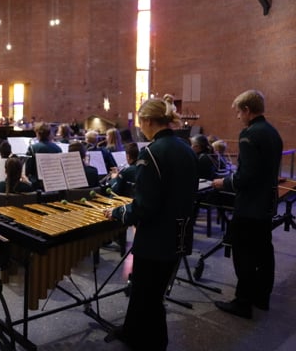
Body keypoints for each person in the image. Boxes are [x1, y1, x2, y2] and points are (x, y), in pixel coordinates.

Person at [104, 98, 198, 350]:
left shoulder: (153, 153)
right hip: (179, 231)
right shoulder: (186, 148)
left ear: (146, 121)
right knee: (146, 290)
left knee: (149, 295)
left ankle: (155, 343)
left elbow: (145, 206)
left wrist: (117, 213)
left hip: (156, 237)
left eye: (140, 121)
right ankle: (132, 331)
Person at [212, 89, 283, 319]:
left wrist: (224, 182)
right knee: (264, 251)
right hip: (266, 204)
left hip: (249, 206)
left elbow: (246, 178)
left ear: (247, 110)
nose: (238, 117)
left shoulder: (249, 134)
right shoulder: (273, 133)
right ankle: (261, 297)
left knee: (243, 254)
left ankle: (242, 302)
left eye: (238, 112)